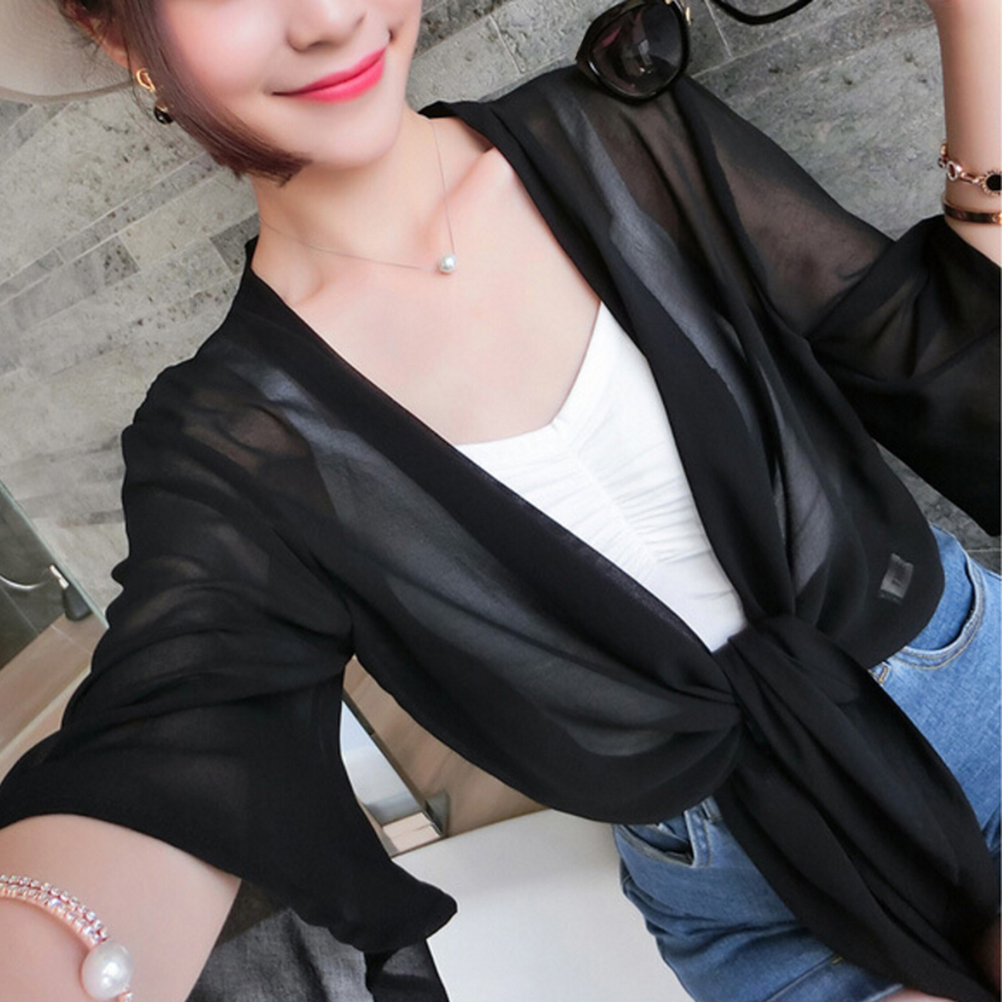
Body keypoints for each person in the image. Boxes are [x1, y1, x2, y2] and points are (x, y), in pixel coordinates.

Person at [0, 0, 998, 1000]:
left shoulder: (617, 135)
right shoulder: (226, 444)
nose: (331, 17)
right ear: (117, 33)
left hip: (974, 699)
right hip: (748, 901)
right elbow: (181, 731)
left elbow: (931, 355)